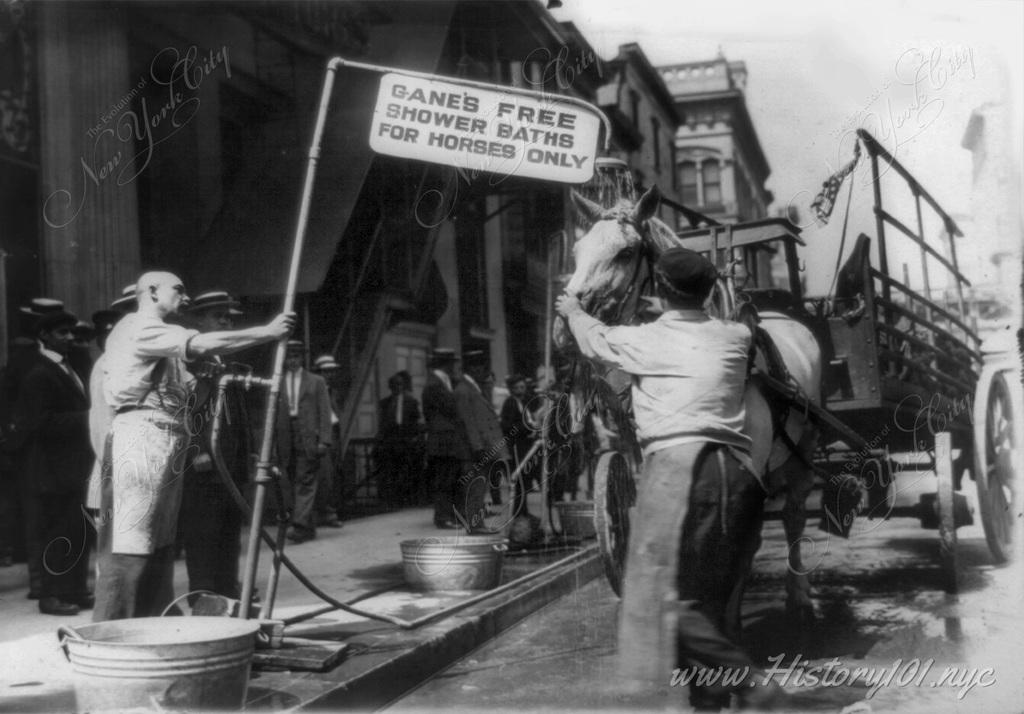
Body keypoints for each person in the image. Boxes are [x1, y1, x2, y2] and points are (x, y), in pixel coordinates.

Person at [556, 248, 768, 708]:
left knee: (659, 602)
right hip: (737, 472)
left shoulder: (643, 341)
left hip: (680, 473)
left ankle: (753, 686)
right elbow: (696, 329)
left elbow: (594, 341)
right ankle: (710, 701)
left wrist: (574, 311)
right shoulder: (736, 336)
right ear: (711, 291)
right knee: (710, 599)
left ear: (659, 291)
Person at [95, 271, 294, 621]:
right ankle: (111, 632)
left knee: (159, 542)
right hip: (140, 435)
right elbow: (200, 344)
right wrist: (268, 332)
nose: (185, 299)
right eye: (179, 290)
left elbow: (195, 394)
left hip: (167, 437)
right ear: (152, 291)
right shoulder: (138, 326)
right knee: (131, 540)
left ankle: (156, 623)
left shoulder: (165, 343)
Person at [17, 309, 93, 615]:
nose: (70, 338)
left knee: (77, 531)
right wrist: (90, 418)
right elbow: (41, 423)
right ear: (44, 336)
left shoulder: (68, 367)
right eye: (63, 333)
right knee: (55, 533)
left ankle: (74, 590)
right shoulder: (39, 374)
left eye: (72, 332)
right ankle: (51, 596)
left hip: (72, 467)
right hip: (52, 470)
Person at [178, 291, 252, 604]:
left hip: (231, 461)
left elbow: (239, 412)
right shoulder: (189, 358)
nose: (225, 321)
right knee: (203, 531)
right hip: (203, 463)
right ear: (198, 319)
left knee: (229, 530)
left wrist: (247, 451)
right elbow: (179, 407)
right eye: (217, 316)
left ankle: (227, 591)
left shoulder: (225, 359)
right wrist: (196, 449)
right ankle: (203, 594)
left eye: (228, 317)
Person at [274, 339, 334, 544]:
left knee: (305, 481)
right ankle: (308, 528)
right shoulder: (277, 382)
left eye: (296, 356)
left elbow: (325, 412)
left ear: (302, 358)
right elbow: (271, 414)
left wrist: (325, 440)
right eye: (288, 357)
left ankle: (299, 525)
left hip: (308, 436)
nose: (292, 361)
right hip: (285, 437)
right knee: (292, 480)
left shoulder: (316, 381)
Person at [454, 351, 509, 524]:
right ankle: (475, 524)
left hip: (480, 447)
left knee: (479, 487)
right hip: (474, 449)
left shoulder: (473, 387)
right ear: (472, 368)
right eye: (480, 367)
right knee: (475, 487)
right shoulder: (464, 390)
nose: (483, 371)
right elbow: (468, 421)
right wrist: (477, 447)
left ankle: (477, 521)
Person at [421, 348, 471, 529]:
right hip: (443, 440)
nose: (455, 367)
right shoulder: (435, 384)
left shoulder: (443, 382)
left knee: (452, 477)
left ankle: (451, 515)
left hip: (447, 440)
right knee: (445, 479)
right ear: (446, 364)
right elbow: (452, 409)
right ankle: (443, 517)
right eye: (452, 363)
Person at [374, 371, 421, 508]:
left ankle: (407, 500)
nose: (397, 388)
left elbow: (415, 422)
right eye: (394, 385)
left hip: (406, 443)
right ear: (390, 387)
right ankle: (392, 500)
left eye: (400, 384)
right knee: (391, 472)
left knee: (406, 473)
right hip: (390, 443)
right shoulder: (385, 403)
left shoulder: (411, 402)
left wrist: (413, 438)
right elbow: (382, 424)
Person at [500, 374, 540, 518]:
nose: (520, 390)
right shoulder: (510, 403)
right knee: (519, 481)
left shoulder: (523, 402)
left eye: (522, 387)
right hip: (517, 446)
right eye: (517, 388)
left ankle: (523, 510)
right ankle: (519, 512)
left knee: (525, 480)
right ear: (511, 389)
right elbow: (508, 426)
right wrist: (528, 427)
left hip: (526, 446)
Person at [311, 354, 342, 528]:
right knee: (323, 476)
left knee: (331, 475)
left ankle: (329, 512)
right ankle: (323, 513)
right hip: (320, 437)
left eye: (332, 372)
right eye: (326, 372)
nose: (330, 375)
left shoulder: (332, 391)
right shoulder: (314, 390)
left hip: (333, 435)